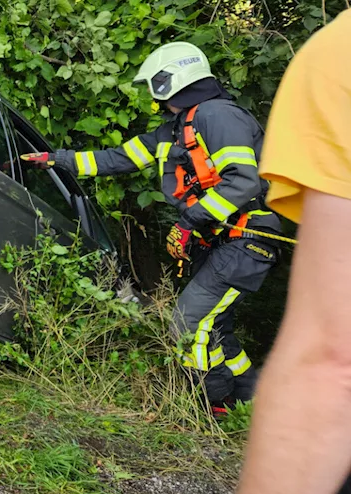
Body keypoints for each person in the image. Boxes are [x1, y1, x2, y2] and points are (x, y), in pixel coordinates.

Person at [22, 42, 281, 416]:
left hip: (248, 239)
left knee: (188, 320)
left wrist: (190, 221)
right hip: (225, 241)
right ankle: (251, 397)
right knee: (216, 324)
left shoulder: (218, 117)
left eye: (154, 83)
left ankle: (211, 401)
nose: (151, 93)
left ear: (172, 79)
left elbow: (244, 181)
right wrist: (57, 160)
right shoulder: (174, 131)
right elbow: (118, 159)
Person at [231, 10, 351, 494]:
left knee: (196, 321)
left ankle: (222, 398)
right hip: (240, 240)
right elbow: (126, 155)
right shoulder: (184, 126)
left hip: (242, 243)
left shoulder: (338, 59)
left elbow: (335, 359)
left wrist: (194, 223)